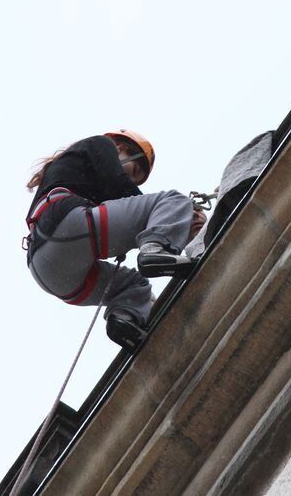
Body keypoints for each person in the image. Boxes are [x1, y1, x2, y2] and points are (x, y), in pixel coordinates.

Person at [24, 129, 206, 353]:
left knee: (135, 286)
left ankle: (123, 320)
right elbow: (118, 185)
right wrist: (180, 211)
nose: (131, 179)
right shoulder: (101, 144)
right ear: (120, 149)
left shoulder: (75, 171)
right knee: (173, 200)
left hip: (48, 271)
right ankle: (154, 249)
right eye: (134, 171)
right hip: (66, 226)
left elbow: (121, 201)